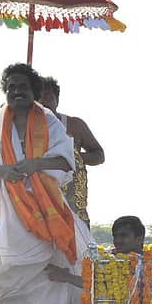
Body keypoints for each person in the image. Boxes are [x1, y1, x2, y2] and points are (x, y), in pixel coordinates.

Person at [0, 63, 92, 304]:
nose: (16, 92)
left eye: (22, 87)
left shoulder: (49, 121)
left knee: (56, 272)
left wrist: (36, 164)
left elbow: (66, 162)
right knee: (7, 274)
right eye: (11, 87)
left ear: (33, 91)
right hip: (8, 211)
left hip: (47, 206)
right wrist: (3, 170)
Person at [40, 77, 104, 225]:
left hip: (70, 197)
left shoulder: (74, 125)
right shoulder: (20, 127)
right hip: (36, 197)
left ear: (57, 100)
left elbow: (99, 156)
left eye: (48, 96)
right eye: (39, 97)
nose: (43, 102)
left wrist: (71, 157)